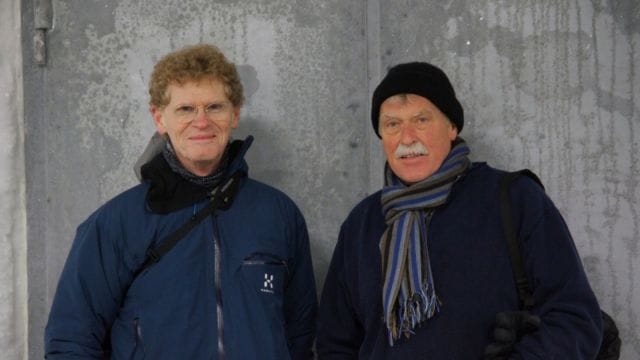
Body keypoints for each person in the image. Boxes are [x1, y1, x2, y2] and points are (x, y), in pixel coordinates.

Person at [45, 44, 317, 359]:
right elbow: (70, 340)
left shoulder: (278, 215)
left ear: (235, 114)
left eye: (214, 107)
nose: (201, 122)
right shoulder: (116, 223)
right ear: (159, 118)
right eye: (185, 109)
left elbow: (300, 336)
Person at [316, 62, 603, 359]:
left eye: (421, 120)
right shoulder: (362, 224)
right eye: (392, 124)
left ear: (452, 126)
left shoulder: (515, 200)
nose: (407, 137)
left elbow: (575, 320)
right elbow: (335, 343)